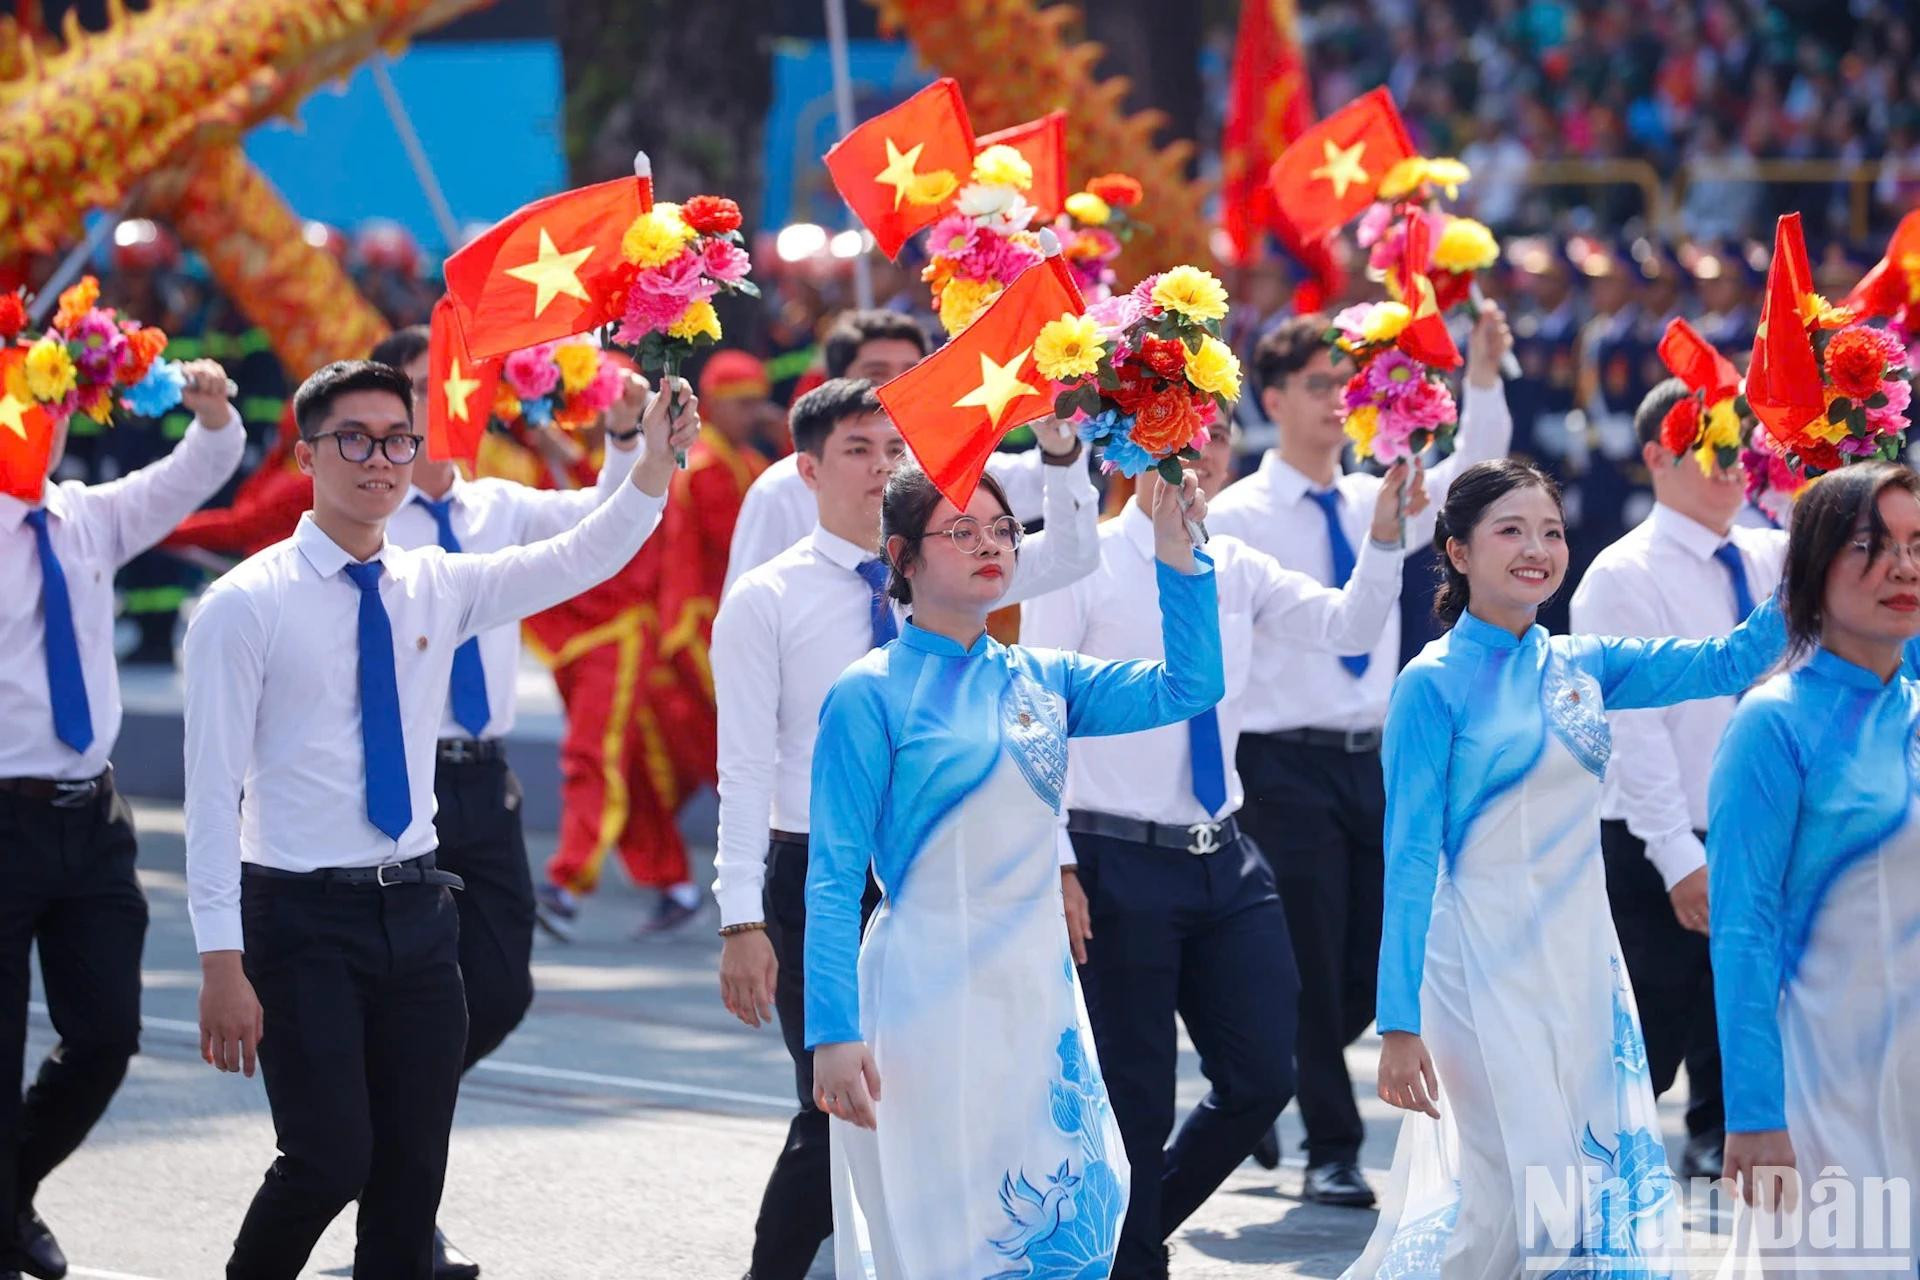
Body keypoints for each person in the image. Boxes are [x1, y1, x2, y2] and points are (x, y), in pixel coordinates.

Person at [184, 360, 698, 1280]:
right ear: (306, 454)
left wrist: (651, 463)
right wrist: (222, 962)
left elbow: (581, 553)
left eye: (396, 440)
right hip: (297, 918)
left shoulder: (437, 582)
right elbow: (211, 793)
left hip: (418, 913)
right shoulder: (244, 606)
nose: (379, 460)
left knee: (411, 1176)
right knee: (329, 1159)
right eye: (354, 439)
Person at [1346, 459, 1785, 1278]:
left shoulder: (1585, 665)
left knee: (1584, 1190)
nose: (1537, 549)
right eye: (1510, 530)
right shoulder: (1430, 685)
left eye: (1550, 531)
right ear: (1458, 551)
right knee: (1509, 1196)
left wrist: (1818, 552)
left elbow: (1729, 663)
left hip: (1582, 968)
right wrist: (1398, 1024)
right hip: (1475, 969)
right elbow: (1408, 860)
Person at [709, 378, 1098, 1279]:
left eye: (896, 449)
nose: (883, 465)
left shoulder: (948, 567)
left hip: (943, 874)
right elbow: (745, 767)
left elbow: (1073, 549)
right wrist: (740, 919)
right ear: (807, 469)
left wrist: (1061, 449)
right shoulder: (766, 599)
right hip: (822, 875)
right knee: (839, 1104)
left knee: (961, 1103)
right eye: (858, 450)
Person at [806, 459, 1226, 1279]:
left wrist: (1181, 555)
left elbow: (1190, 686)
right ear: (904, 557)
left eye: (1002, 529)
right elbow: (832, 876)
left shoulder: (1045, 678)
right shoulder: (869, 694)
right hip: (926, 999)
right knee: (949, 1234)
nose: (991, 545)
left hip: (1038, 999)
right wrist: (833, 1033)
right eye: (960, 532)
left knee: (1077, 1206)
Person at [1023, 457, 1426, 1280]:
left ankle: (1124, 1238)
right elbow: (1039, 716)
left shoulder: (1234, 563)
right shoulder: (1083, 565)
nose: (1191, 465)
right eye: (1168, 444)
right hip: (1114, 857)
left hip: (1224, 854)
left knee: (1260, 1076)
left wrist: (1385, 541)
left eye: (1207, 443)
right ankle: (1130, 1257)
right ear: (1122, 462)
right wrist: (1057, 857)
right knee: (1132, 1093)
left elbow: (1348, 629)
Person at [1207, 302, 1514, 1204]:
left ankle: (1261, 1067)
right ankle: (1330, 1148)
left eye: (1347, 384)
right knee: (1307, 947)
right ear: (1270, 397)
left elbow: (1474, 476)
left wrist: (1483, 375)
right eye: (1315, 386)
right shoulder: (1236, 513)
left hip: (1373, 753)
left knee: (1378, 947)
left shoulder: (1375, 494)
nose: (1338, 400)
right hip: (1279, 755)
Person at [369, 326, 649, 1278]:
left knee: (503, 986)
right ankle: (403, 1210)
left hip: (482, 780)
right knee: (423, 997)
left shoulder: (494, 506)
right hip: (396, 777)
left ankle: (384, 1118)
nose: (430, 400)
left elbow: (599, 527)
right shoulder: (365, 518)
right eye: (410, 385)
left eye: (446, 380)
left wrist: (624, 439)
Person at [1, 362, 243, 1280]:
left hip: (89, 820)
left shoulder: (87, 516)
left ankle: (10, 1194)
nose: (41, 428)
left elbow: (200, 465)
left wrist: (214, 411)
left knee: (106, 1036)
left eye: (50, 408)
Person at [1569, 376, 1781, 1184]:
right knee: (1647, 1027)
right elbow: (1633, 727)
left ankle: (1719, 1132)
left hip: (1760, 830)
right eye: (1710, 447)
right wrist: (1675, 853)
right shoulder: (1623, 572)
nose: (1732, 465)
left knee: (1746, 1009)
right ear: (1658, 455)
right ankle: (1587, 1175)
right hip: (1658, 835)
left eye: (1741, 448)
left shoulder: (1775, 550)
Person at [1709, 463, 1920, 1269]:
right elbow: (1742, 932)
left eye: (1915, 545)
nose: (1902, 567)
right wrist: (1756, 1113)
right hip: (1825, 1094)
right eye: (1871, 546)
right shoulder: (1772, 726)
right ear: (1810, 571)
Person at [724, 310, 1058, 591]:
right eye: (877, 374)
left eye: (910, 372)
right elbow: (745, 612)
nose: (900, 387)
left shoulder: (943, 469)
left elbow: (1039, 482)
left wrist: (1076, 412)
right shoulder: (780, 490)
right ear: (837, 381)